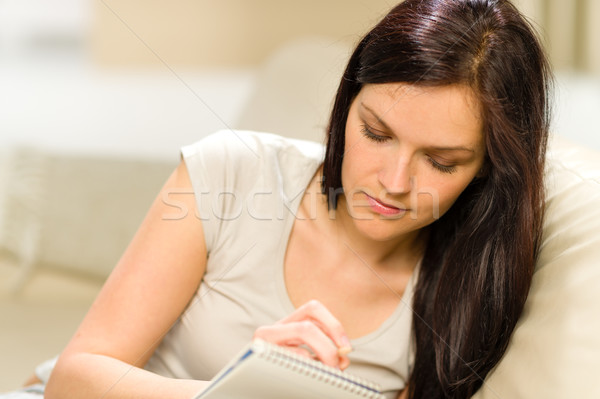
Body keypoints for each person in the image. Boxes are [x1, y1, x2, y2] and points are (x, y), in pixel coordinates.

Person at [3, 0, 552, 398]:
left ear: (487, 172)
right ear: (347, 103)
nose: (393, 181)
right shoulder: (231, 170)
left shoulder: (470, 287)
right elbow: (76, 377)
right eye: (376, 133)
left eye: (440, 161)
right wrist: (243, 390)